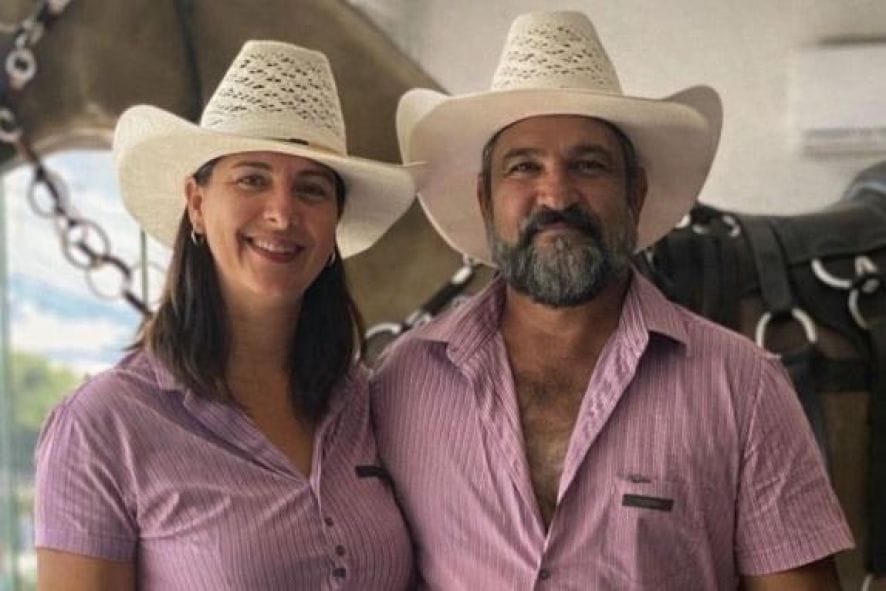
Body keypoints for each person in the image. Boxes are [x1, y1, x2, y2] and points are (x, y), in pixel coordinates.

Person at [373, 10, 854, 590]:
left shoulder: (743, 387)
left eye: (589, 165)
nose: (556, 194)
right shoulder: (402, 381)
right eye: (524, 167)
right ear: (484, 200)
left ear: (636, 192)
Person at [34, 40, 416, 590]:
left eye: (311, 189)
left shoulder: (365, 402)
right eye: (252, 178)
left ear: (334, 222)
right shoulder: (103, 425)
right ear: (196, 202)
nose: (282, 213)